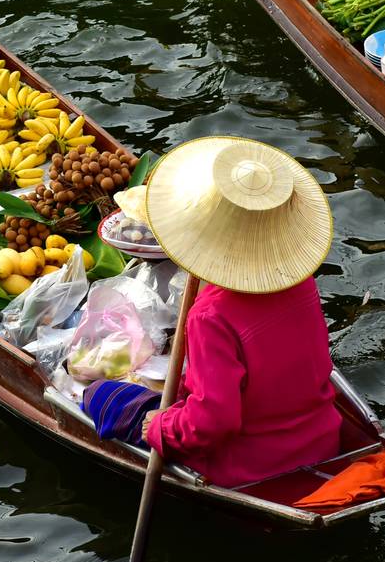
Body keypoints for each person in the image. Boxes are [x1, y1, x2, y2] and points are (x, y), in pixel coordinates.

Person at [84, 136, 343, 488]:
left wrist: (160, 425)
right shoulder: (300, 281)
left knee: (100, 396)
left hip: (248, 465)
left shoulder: (210, 315)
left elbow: (213, 422)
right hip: (322, 437)